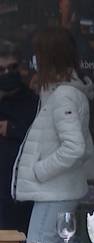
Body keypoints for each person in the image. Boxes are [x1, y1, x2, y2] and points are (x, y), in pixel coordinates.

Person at [13, 26, 93, 243]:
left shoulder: (63, 96)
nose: (34, 60)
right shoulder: (66, 92)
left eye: (38, 54)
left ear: (49, 57)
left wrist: (40, 170)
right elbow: (86, 147)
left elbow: (75, 147)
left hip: (54, 193)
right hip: (59, 191)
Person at [0, 40, 38, 233]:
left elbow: (42, 139)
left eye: (12, 68)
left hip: (20, 191)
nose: (7, 73)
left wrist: (12, 129)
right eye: (2, 69)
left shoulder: (33, 101)